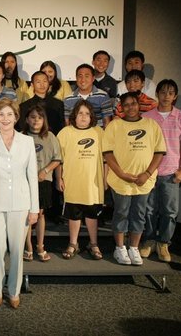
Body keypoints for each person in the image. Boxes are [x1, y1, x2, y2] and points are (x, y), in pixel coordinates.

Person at [0, 97, 39, 309]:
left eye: (9, 114)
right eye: (1, 114)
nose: (5, 118)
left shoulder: (27, 142)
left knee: (16, 250)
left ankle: (13, 291)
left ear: (16, 117)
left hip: (21, 204)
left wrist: (34, 208)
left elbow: (32, 176)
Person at [103, 92, 166, 266]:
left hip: (143, 180)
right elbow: (108, 154)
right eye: (127, 104)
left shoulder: (152, 125)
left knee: (139, 214)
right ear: (121, 108)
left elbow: (159, 152)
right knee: (121, 213)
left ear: (139, 105)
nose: (131, 107)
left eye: (134, 103)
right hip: (121, 180)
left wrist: (147, 173)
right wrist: (122, 174)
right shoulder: (114, 126)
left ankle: (134, 248)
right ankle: (120, 248)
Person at [140, 80, 181, 262]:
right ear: (157, 94)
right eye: (163, 92)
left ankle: (163, 243)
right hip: (150, 171)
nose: (166, 96)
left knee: (170, 211)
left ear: (175, 96)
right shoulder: (147, 117)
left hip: (171, 172)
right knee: (149, 210)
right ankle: (148, 241)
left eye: (170, 93)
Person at [56, 100, 105, 260]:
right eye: (80, 113)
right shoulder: (65, 132)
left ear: (91, 117)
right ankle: (73, 243)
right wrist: (59, 179)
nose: (83, 117)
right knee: (74, 215)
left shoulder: (99, 132)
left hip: (93, 184)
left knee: (92, 215)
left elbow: (106, 159)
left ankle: (94, 243)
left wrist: (104, 180)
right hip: (72, 182)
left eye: (87, 113)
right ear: (74, 116)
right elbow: (58, 159)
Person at [22, 105, 61, 262]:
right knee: (26, 215)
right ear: (27, 119)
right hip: (24, 182)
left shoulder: (50, 136)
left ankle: (40, 246)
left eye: (39, 117)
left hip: (43, 181)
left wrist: (44, 171)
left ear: (44, 120)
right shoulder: (21, 136)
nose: (36, 120)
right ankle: (28, 247)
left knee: (39, 214)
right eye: (32, 117)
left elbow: (57, 158)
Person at [63, 64, 113, 128]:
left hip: (97, 135)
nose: (83, 79)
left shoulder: (103, 96)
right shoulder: (68, 99)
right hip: (76, 135)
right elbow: (67, 124)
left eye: (87, 76)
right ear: (76, 78)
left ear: (93, 78)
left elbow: (107, 122)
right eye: (80, 76)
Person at [17, 70, 64, 135]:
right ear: (32, 85)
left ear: (49, 83)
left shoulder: (58, 104)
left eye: (45, 81)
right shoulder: (24, 106)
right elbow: (22, 128)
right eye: (38, 82)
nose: (42, 84)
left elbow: (61, 128)